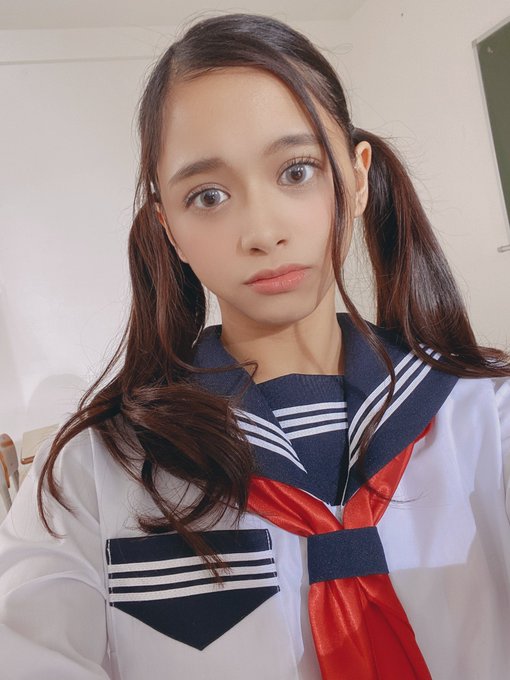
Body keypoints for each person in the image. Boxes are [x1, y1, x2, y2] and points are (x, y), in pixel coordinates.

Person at [0, 12, 509, 680]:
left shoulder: (488, 415)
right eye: (208, 195)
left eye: (297, 171)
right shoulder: (91, 471)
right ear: (168, 226)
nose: (262, 231)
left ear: (357, 179)